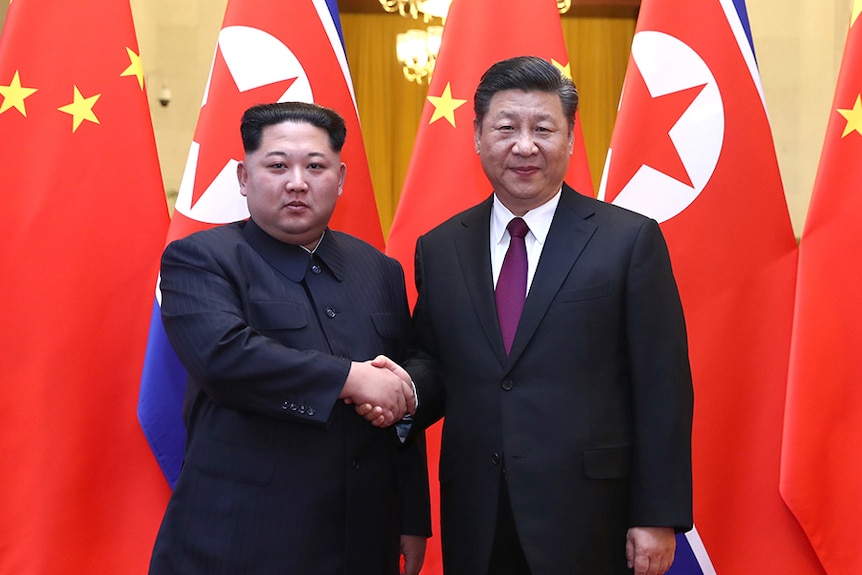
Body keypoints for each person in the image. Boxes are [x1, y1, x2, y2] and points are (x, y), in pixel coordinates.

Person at [389, 56, 693, 575]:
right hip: (477, 512)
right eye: (506, 128)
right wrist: (401, 390)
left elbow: (662, 385)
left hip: (592, 515)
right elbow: (434, 362)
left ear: (570, 139)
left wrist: (657, 515)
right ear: (478, 138)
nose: (524, 146)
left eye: (543, 128)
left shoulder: (628, 240)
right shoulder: (440, 248)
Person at [148, 101, 430, 575]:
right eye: (277, 165)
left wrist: (412, 516)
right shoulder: (199, 259)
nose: (297, 181)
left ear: (340, 178)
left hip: (361, 537)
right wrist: (349, 379)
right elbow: (225, 358)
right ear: (243, 176)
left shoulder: (380, 270)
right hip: (239, 537)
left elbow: (399, 387)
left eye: (315, 166)